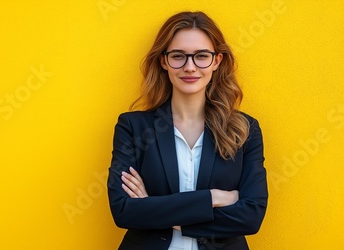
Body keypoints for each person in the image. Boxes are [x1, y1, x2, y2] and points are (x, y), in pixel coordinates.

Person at [107, 11, 268, 250]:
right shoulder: (133, 127)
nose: (190, 67)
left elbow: (251, 216)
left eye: (201, 56)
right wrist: (214, 198)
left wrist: (155, 209)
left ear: (216, 61)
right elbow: (123, 211)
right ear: (163, 61)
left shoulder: (245, 130)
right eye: (178, 56)